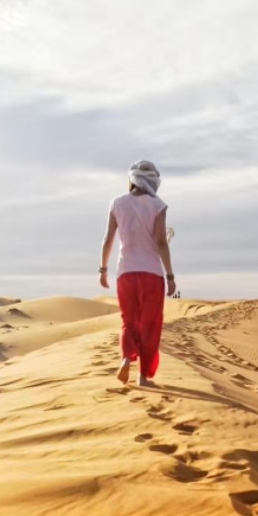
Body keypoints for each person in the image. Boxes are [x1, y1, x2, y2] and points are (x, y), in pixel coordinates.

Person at [98, 160, 176, 387]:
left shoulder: (117, 203)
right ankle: (143, 377)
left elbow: (108, 239)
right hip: (151, 273)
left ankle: (125, 358)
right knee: (150, 325)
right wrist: (170, 276)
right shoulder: (158, 205)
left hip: (125, 273)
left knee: (128, 322)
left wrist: (103, 270)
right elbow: (161, 242)